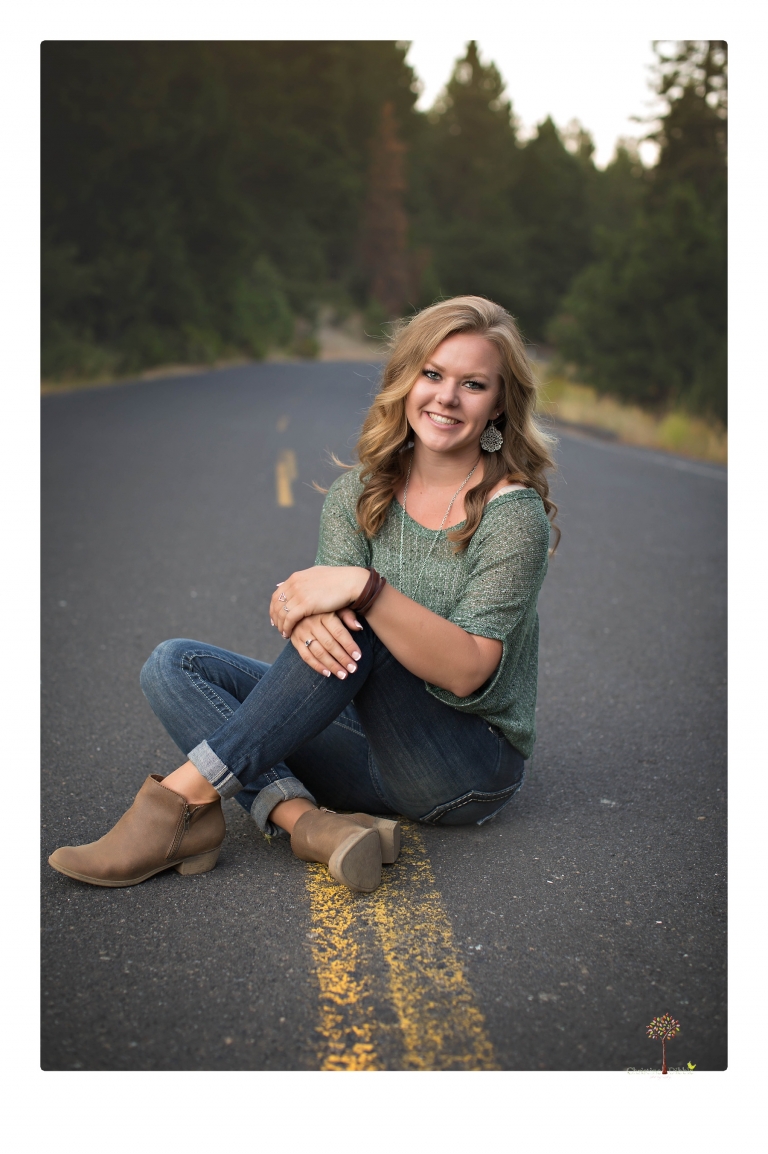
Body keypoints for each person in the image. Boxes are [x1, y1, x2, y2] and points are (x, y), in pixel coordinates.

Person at [48, 295, 558, 894]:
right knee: (173, 665)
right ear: (406, 381)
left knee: (364, 620)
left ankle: (179, 804)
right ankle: (309, 824)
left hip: (460, 766)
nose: (446, 397)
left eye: (472, 384)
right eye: (432, 374)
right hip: (364, 752)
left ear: (499, 404)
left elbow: (470, 670)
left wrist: (368, 589)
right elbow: (326, 635)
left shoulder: (512, 515)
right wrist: (309, 612)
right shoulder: (359, 496)